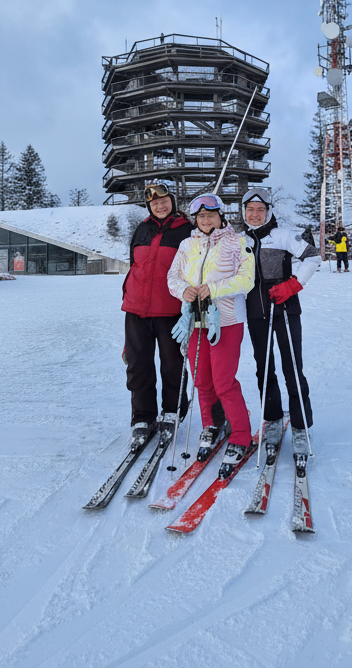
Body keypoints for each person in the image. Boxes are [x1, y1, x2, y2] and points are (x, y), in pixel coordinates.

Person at [167, 194, 255, 479]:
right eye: (201, 216)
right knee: (201, 379)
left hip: (227, 320)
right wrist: (184, 291)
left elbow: (247, 279)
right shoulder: (187, 244)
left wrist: (211, 289)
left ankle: (241, 434)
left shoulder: (237, 242)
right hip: (195, 321)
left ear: (221, 216)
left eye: (211, 215)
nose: (206, 220)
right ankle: (212, 424)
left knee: (223, 381)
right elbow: (173, 276)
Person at [241, 188, 320, 462]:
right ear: (244, 212)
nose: (255, 214)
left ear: (269, 212)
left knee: (292, 367)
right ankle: (272, 418)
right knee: (264, 367)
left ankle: (300, 424)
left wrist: (294, 283)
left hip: (284, 307)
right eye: (250, 210)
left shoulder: (284, 235)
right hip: (255, 310)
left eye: (260, 210)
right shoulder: (240, 241)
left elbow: (313, 256)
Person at [120, 183, 197, 451]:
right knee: (137, 364)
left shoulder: (187, 231)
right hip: (136, 309)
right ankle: (143, 417)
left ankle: (172, 411)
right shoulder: (142, 229)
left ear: (172, 202)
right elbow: (134, 267)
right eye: (154, 203)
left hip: (170, 310)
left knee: (172, 364)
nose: (159, 206)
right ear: (149, 206)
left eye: (164, 201)